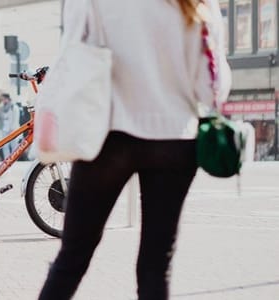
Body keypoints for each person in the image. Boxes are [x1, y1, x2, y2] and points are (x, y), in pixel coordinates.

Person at [38, 0, 231, 299]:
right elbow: (211, 87)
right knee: (156, 265)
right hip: (175, 138)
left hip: (108, 134)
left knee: (73, 257)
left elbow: (71, 57)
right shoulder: (197, 3)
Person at [0, 93, 19, 159]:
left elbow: (16, 118)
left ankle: (14, 158)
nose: (3, 101)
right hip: (4, 128)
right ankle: (7, 158)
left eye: (3, 99)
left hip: (12, 128)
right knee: (5, 145)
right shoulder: (2, 108)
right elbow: (1, 118)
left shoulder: (14, 107)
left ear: (7, 99)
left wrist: (13, 128)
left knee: (13, 144)